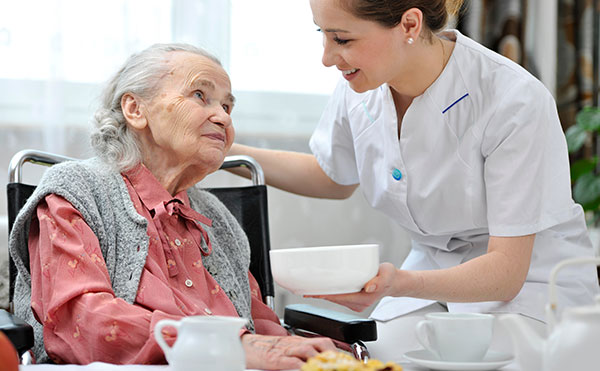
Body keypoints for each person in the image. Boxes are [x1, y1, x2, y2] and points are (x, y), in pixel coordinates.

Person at [228, 0, 600, 362]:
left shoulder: (513, 100)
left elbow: (505, 273)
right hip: (428, 280)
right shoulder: (361, 85)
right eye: (322, 34)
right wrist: (222, 151)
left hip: (530, 291)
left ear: (409, 24)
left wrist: (399, 282)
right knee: (378, 358)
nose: (326, 57)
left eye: (342, 39)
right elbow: (332, 176)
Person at [8, 43, 335, 368]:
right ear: (135, 110)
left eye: (228, 106)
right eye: (199, 95)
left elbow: (258, 323)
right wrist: (229, 347)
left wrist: (314, 356)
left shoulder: (217, 219)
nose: (222, 116)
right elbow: (79, 322)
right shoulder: (77, 191)